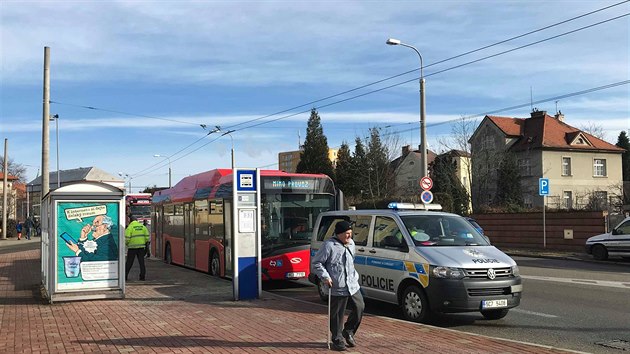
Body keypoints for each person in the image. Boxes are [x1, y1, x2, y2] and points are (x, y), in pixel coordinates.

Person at [311, 220, 364, 352]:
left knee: (359, 307)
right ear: (339, 234)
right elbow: (317, 263)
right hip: (337, 285)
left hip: (352, 284)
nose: (349, 236)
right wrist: (325, 277)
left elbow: (352, 261)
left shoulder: (351, 244)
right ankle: (337, 338)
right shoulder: (329, 245)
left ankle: (349, 331)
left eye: (350, 233)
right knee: (337, 315)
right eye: (346, 234)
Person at [125, 216, 150, 281]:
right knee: (141, 263)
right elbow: (147, 237)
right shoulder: (143, 227)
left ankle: (125, 276)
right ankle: (142, 277)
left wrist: (127, 244)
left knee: (129, 262)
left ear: (130, 221)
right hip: (141, 247)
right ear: (136, 220)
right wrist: (143, 242)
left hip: (132, 248)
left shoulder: (130, 227)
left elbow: (127, 238)